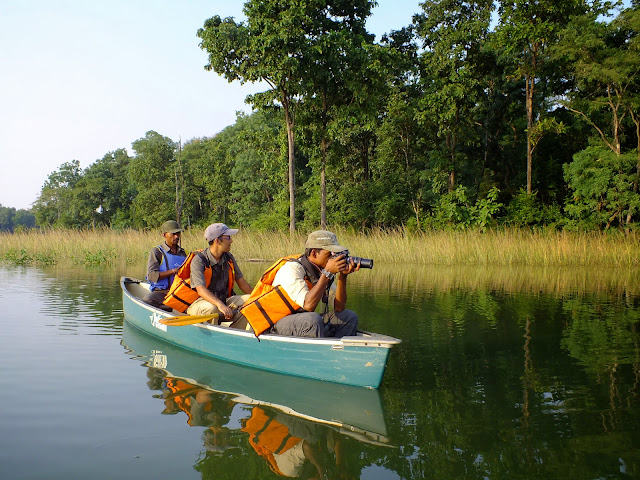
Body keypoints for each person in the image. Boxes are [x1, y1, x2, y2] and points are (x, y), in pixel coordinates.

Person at [241, 230, 359, 338]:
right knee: (312, 320)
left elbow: (339, 307)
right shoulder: (292, 269)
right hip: (273, 324)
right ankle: (316, 356)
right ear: (314, 253)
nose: (334, 258)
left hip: (299, 322)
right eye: (330, 254)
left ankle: (337, 353)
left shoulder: (321, 271)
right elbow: (308, 305)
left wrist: (342, 277)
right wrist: (327, 273)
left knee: (348, 317)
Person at [185, 223, 253, 321]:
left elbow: (242, 284)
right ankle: (212, 335)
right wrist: (219, 304)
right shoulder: (199, 260)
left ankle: (237, 331)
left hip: (224, 301)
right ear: (217, 241)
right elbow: (201, 290)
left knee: (251, 301)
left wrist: (259, 298)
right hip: (200, 303)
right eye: (228, 237)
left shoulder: (229, 258)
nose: (231, 241)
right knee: (212, 308)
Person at [143, 220, 187, 311]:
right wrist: (173, 271)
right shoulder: (157, 252)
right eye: (173, 234)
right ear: (164, 235)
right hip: (161, 292)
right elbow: (151, 276)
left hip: (178, 292)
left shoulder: (182, 253)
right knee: (148, 300)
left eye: (178, 233)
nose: (176, 236)